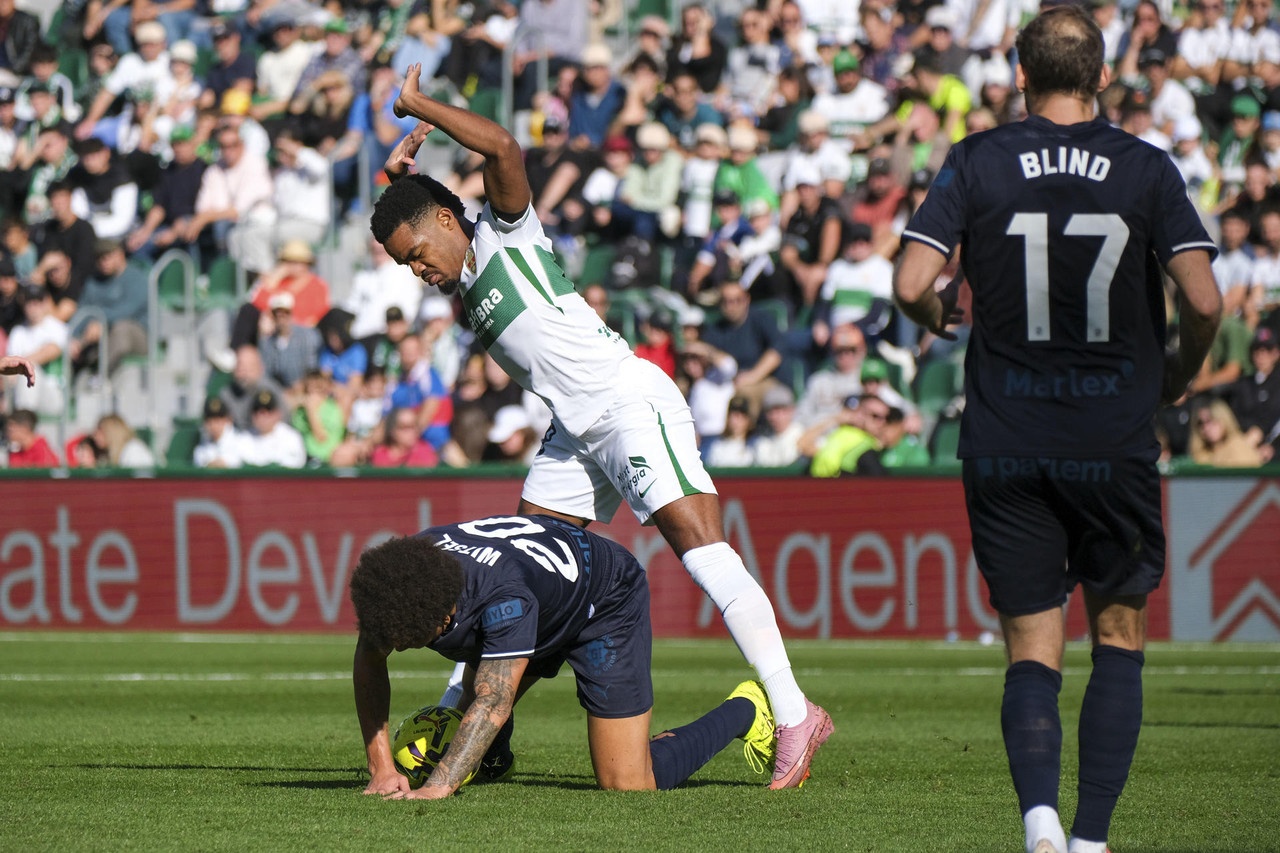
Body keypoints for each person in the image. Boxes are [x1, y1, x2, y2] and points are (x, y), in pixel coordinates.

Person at [371, 65, 831, 789]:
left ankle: (795, 712)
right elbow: (420, 209)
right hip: (574, 431)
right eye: (406, 265)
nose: (417, 271)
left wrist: (419, 105)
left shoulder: (505, 234)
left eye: (417, 254)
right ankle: (474, 726)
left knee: (702, 552)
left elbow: (504, 149)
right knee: (519, 568)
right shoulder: (458, 261)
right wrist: (399, 183)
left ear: (449, 223)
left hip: (625, 404)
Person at [892, 8, 1222, 853]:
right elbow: (1205, 300)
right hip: (1112, 437)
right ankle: (1091, 839)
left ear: (1020, 74)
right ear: (1103, 75)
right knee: (1119, 635)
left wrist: (936, 314)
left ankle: (1039, 824)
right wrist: (1177, 373)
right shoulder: (1146, 167)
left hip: (1005, 438)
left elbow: (910, 283)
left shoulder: (977, 158)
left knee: (1032, 649)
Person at [350, 514, 775, 798]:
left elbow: (493, 701)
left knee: (627, 781)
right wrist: (381, 768)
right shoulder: (401, 575)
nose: (400, 647)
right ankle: (496, 760)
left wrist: (437, 788)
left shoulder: (503, 600)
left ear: (446, 614)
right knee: (471, 711)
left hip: (605, 599)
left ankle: (747, 709)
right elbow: (370, 657)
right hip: (542, 588)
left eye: (412, 640)